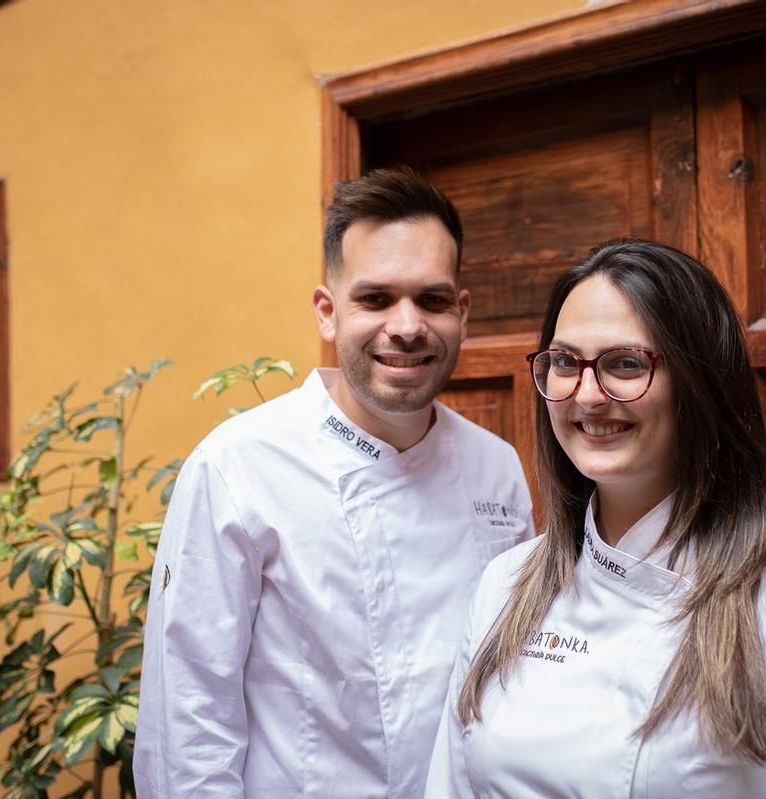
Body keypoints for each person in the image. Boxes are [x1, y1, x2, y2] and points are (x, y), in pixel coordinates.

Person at [425, 239, 766, 797]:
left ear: (701, 383)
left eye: (627, 363)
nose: (587, 395)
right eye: (565, 362)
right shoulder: (506, 584)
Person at [135, 167, 535, 798]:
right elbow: (188, 721)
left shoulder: (497, 467)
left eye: (432, 300)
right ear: (328, 313)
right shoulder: (238, 466)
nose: (407, 327)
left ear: (461, 313)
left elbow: (510, 682)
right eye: (374, 299)